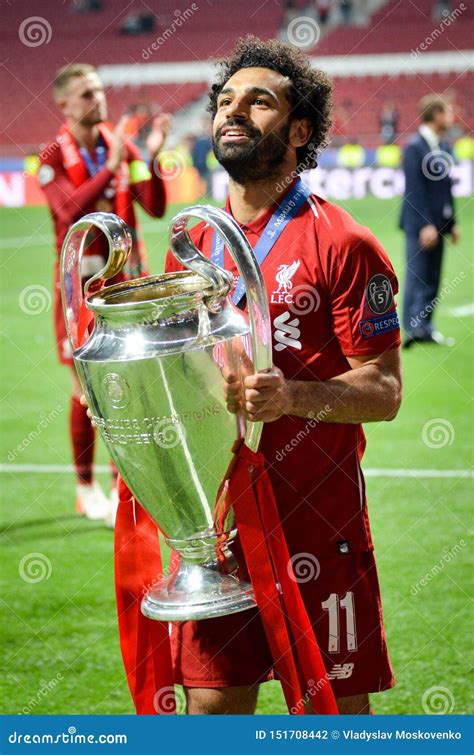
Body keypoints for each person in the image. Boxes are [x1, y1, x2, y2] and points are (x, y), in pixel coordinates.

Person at [158, 35, 402, 715]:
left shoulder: (343, 242)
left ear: (298, 130)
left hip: (318, 524)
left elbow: (384, 391)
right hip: (217, 524)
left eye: (257, 101)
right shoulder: (193, 243)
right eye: (225, 102)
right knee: (209, 715)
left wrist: (290, 395)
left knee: (330, 723)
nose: (233, 112)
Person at [38, 63, 170, 523]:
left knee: (128, 388)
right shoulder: (52, 155)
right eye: (87, 93)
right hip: (80, 286)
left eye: (99, 89)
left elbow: (153, 207)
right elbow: (70, 211)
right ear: (65, 105)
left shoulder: (123, 144)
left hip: (126, 284)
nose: (99, 98)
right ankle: (85, 485)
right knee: (85, 391)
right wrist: (112, 166)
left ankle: (121, 487)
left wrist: (150, 157)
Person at [400, 95, 460, 348]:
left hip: (440, 224)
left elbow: (445, 189)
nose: (452, 116)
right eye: (447, 111)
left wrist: (452, 221)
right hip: (420, 226)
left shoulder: (443, 146)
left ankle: (426, 326)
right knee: (418, 274)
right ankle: (412, 327)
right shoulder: (415, 147)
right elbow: (415, 191)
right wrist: (426, 224)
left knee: (433, 276)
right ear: (435, 115)